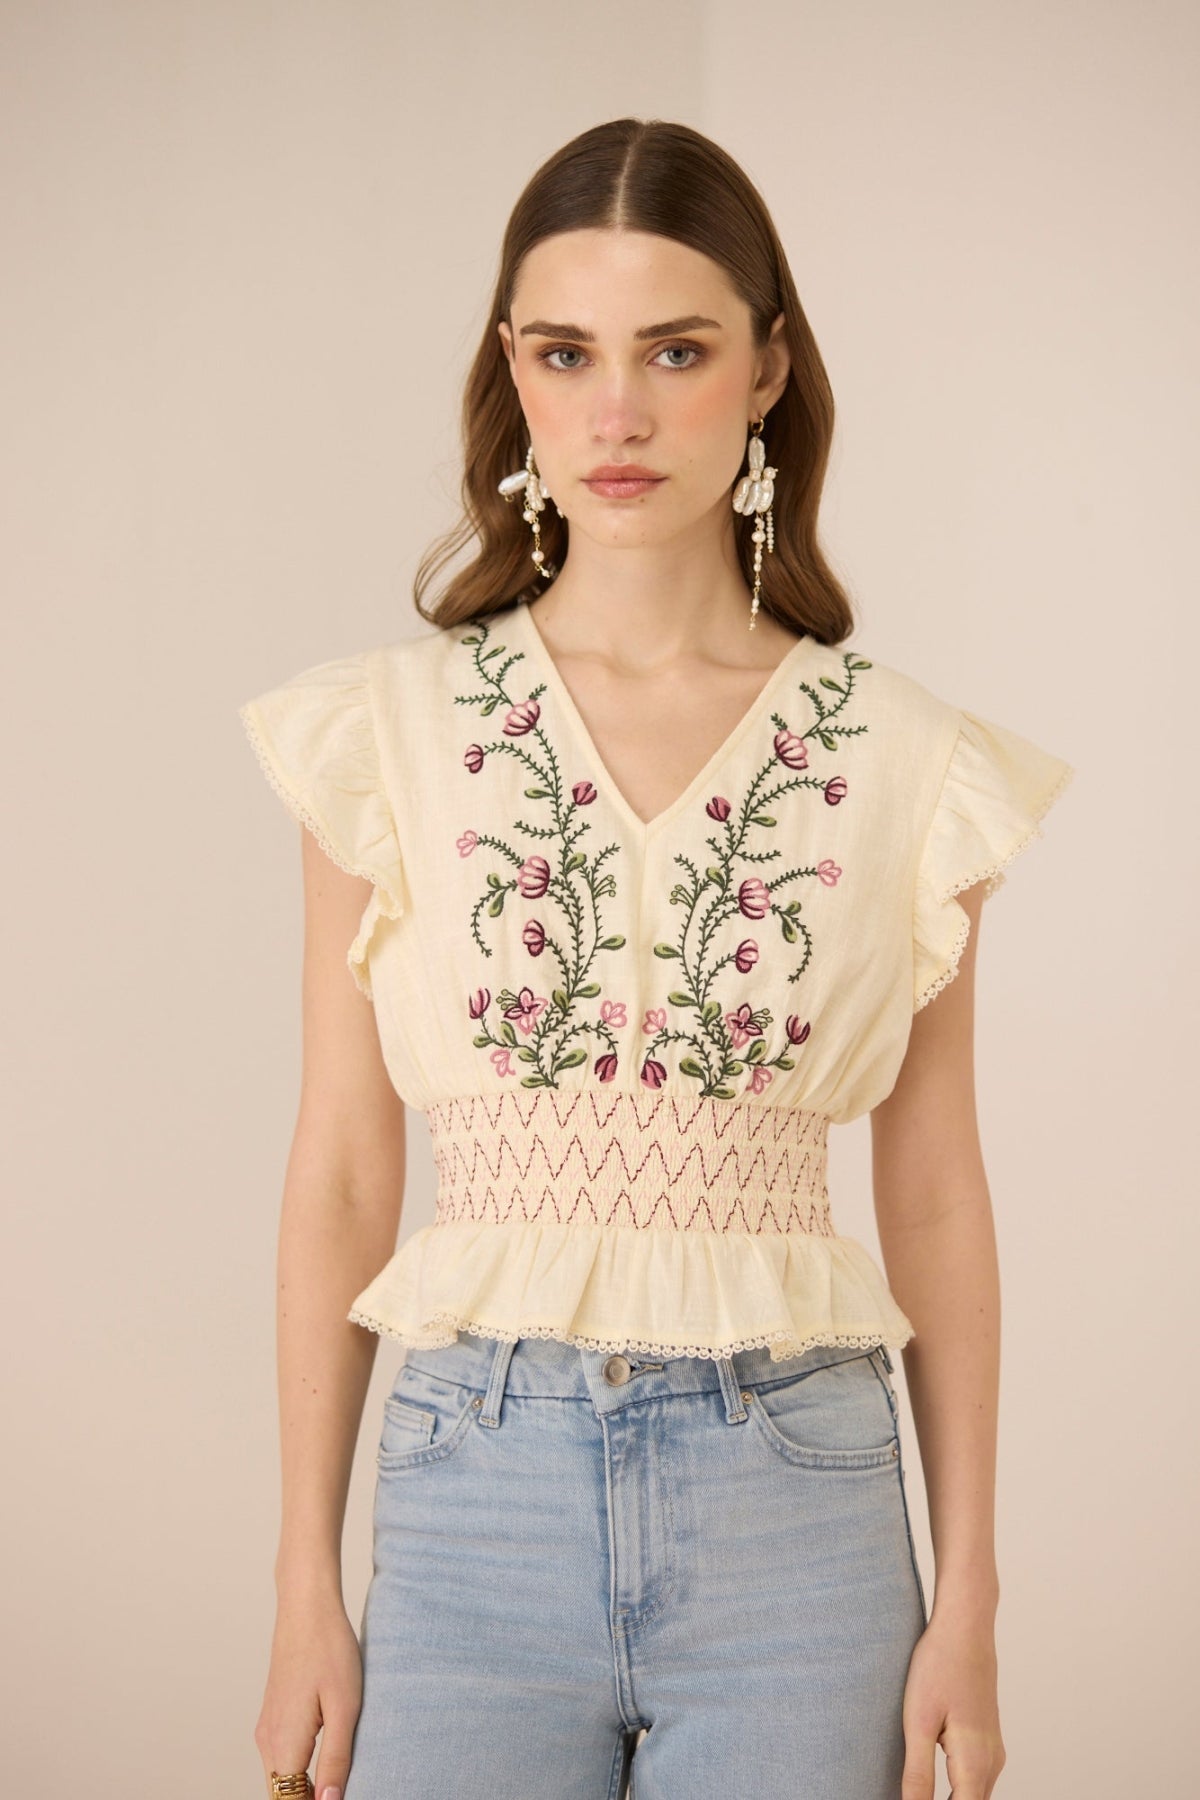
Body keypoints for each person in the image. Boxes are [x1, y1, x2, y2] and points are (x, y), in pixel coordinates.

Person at [241, 118, 1074, 1800]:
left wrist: (967, 1596)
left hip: (804, 1508)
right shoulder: (381, 738)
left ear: (767, 370)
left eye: (676, 351)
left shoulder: (909, 762)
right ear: (516, 373)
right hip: (471, 1499)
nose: (616, 413)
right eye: (568, 353)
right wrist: (300, 1586)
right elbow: (343, 1167)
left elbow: (931, 1195)